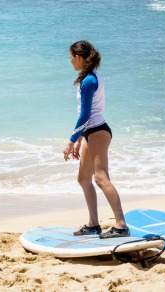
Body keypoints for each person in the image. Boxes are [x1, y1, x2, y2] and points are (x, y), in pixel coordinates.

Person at [63, 40, 130, 239]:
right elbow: (85, 117)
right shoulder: (87, 78)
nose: (70, 62)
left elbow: (85, 114)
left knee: (101, 178)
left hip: (98, 132)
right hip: (89, 133)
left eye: (71, 58)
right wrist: (79, 139)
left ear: (78, 57)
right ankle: (93, 224)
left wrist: (72, 139)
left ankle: (120, 225)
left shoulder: (89, 81)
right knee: (83, 178)